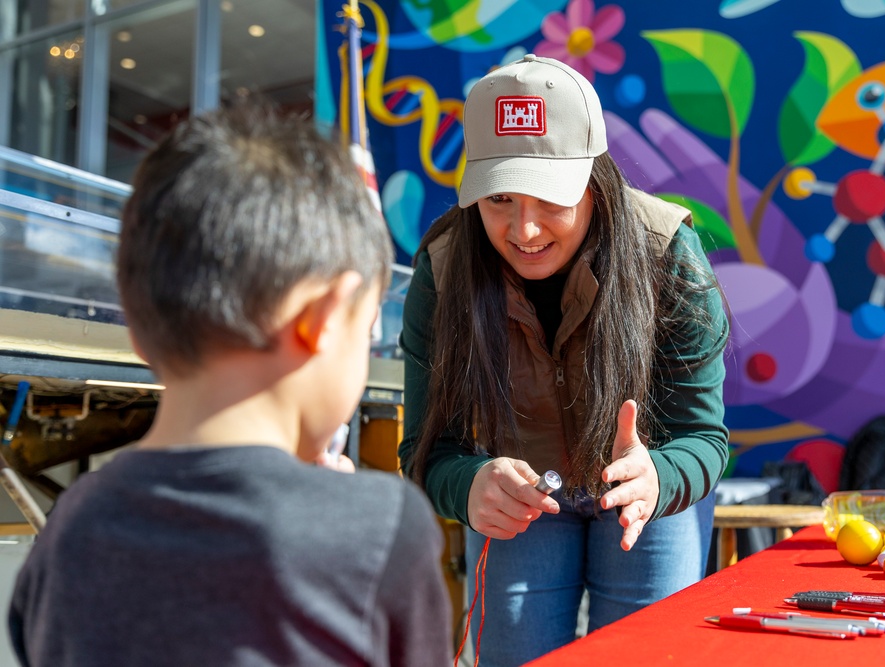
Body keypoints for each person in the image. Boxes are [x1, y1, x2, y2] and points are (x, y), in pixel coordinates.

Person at [7, 104, 452, 667]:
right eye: (365, 334)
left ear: (140, 331)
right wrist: (342, 506)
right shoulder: (380, 529)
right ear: (325, 316)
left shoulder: (70, 529)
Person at [398, 54, 730, 665]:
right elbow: (425, 452)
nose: (524, 230)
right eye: (498, 198)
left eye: (549, 196)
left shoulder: (668, 254)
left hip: (643, 495)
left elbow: (703, 439)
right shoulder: (444, 270)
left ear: (594, 181)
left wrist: (660, 476)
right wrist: (468, 484)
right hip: (522, 502)